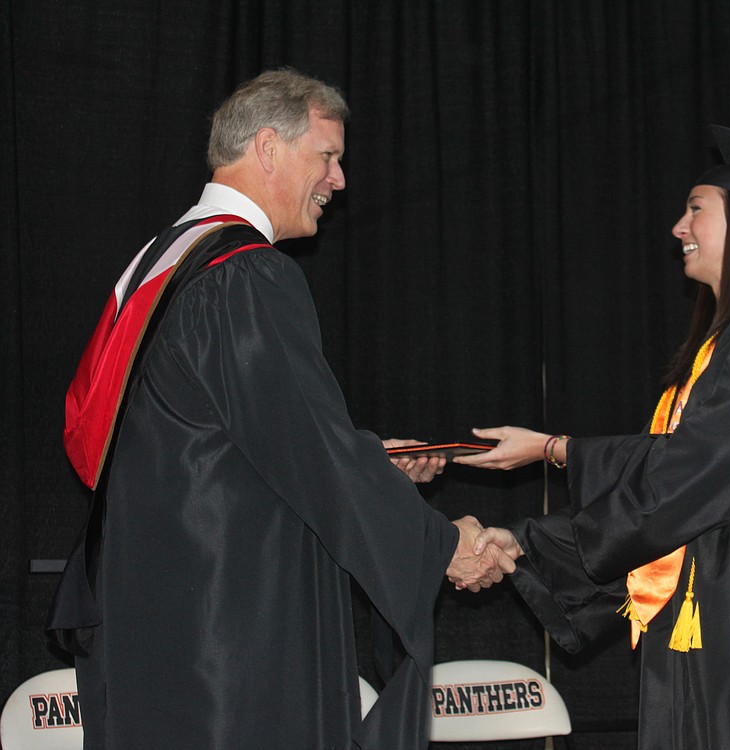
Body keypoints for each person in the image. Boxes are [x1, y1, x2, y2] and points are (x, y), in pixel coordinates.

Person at [47, 68, 501, 750]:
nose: (339, 180)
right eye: (327, 156)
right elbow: (309, 452)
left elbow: (205, 435)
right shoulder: (245, 274)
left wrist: (369, 457)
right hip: (226, 627)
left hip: (149, 606)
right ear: (267, 148)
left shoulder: (163, 257)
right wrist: (440, 545)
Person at [456, 126, 730, 749]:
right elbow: (675, 469)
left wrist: (538, 512)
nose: (678, 227)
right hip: (722, 623)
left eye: (696, 210)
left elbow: (686, 479)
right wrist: (544, 471)